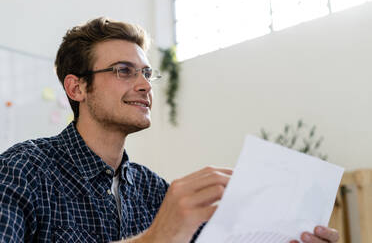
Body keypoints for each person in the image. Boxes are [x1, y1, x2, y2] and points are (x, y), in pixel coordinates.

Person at [0, 17, 339, 243]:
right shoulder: (24, 170)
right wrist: (155, 238)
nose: (145, 85)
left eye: (147, 73)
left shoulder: (156, 191)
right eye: (123, 71)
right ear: (77, 88)